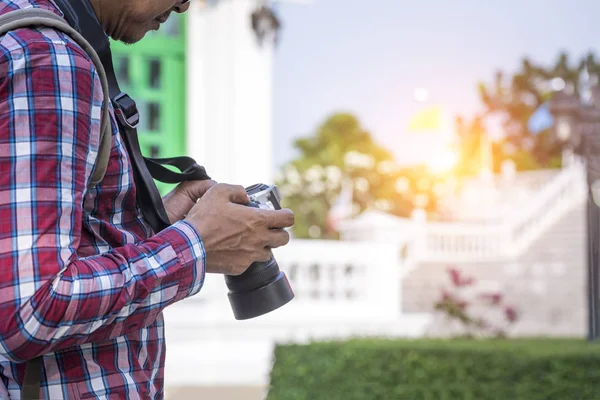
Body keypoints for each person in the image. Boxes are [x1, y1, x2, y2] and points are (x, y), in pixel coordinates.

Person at [0, 0, 294, 398]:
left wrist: (159, 226)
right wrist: (195, 245)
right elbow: (30, 312)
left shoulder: (23, 33)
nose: (186, 4)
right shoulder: (49, 57)